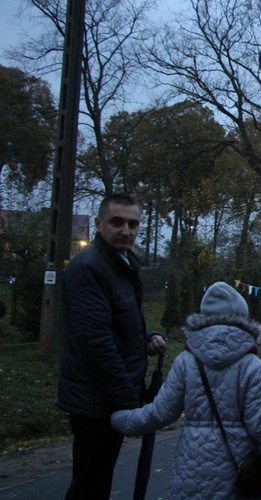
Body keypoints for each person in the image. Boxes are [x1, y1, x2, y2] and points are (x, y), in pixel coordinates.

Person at [111, 281, 261, 498]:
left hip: (190, 473)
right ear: (243, 317)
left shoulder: (185, 361)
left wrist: (118, 419)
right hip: (238, 474)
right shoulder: (251, 365)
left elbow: (160, 413)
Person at [57, 193, 166, 499]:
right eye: (117, 222)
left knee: (98, 480)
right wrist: (129, 401)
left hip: (107, 396)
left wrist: (146, 337)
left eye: (133, 224)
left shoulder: (121, 263)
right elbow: (95, 342)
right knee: (90, 486)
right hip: (95, 400)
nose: (126, 230)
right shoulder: (89, 267)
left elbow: (116, 322)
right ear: (99, 223)